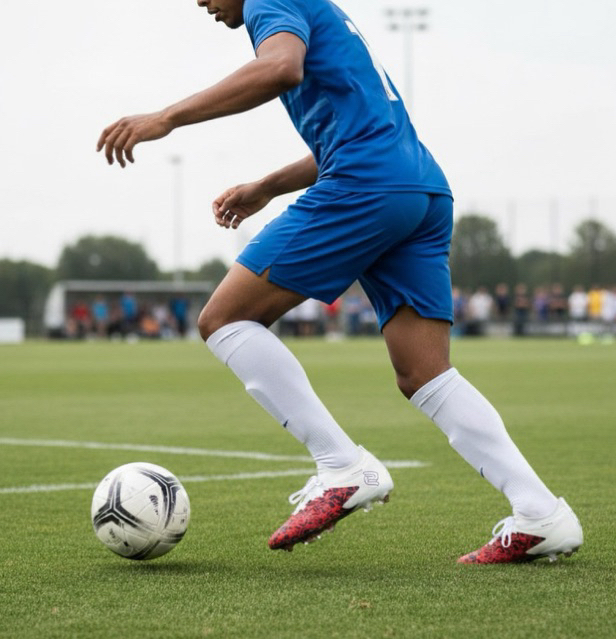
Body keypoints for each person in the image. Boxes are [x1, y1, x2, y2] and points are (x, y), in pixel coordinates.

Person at [97, 0, 582, 563]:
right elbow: (355, 130)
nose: (200, 2)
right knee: (425, 373)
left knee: (225, 319)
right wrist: (268, 185)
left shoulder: (268, 2)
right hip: (419, 186)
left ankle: (341, 465)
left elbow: (281, 68)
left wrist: (166, 117)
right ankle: (540, 513)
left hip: (366, 184)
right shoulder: (316, 9)